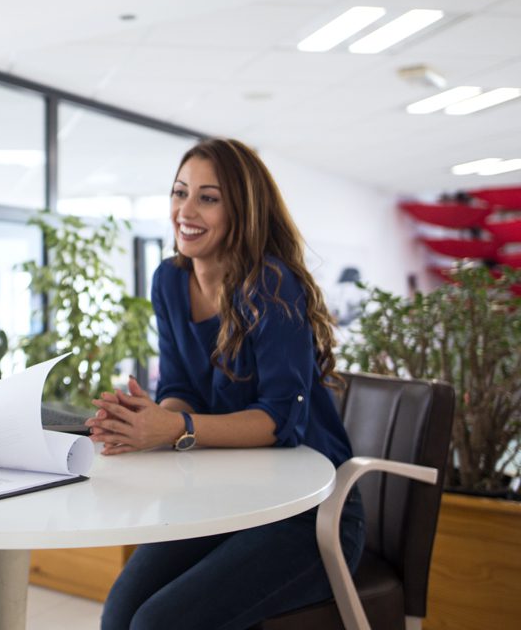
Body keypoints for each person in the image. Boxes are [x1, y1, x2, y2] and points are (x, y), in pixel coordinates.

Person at [88, 138, 365, 630]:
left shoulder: (271, 285)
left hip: (310, 512)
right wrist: (149, 422)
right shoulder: (169, 281)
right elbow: (181, 386)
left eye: (208, 197)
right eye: (179, 192)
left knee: (158, 624)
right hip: (228, 498)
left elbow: (281, 420)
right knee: (119, 613)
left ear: (242, 210)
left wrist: (173, 428)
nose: (185, 210)